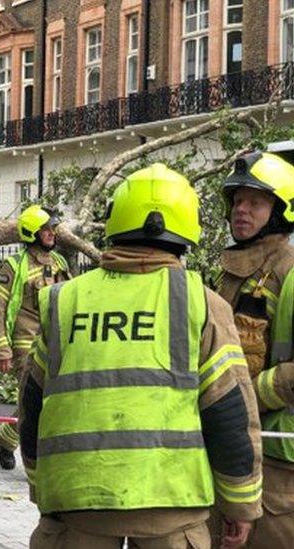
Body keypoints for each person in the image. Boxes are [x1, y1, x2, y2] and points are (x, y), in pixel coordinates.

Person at [19, 163, 262, 548]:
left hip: (78, 502)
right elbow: (228, 411)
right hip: (172, 504)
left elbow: (32, 404)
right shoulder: (200, 301)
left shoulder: (64, 300)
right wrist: (241, 504)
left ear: (115, 226)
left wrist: (42, 487)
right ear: (187, 231)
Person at [214, 151, 294, 547]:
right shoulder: (232, 269)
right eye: (237, 201)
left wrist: (244, 400)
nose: (241, 211)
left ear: (282, 210)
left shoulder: (290, 272)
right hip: (228, 447)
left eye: (256, 203)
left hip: (277, 456)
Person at [0, 204, 71, 470]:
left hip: (55, 340)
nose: (51, 233)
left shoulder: (60, 263)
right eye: (45, 229)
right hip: (26, 341)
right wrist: (2, 350)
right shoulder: (14, 266)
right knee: (35, 398)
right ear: (31, 233)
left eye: (52, 228)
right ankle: (34, 460)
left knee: (49, 399)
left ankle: (6, 438)